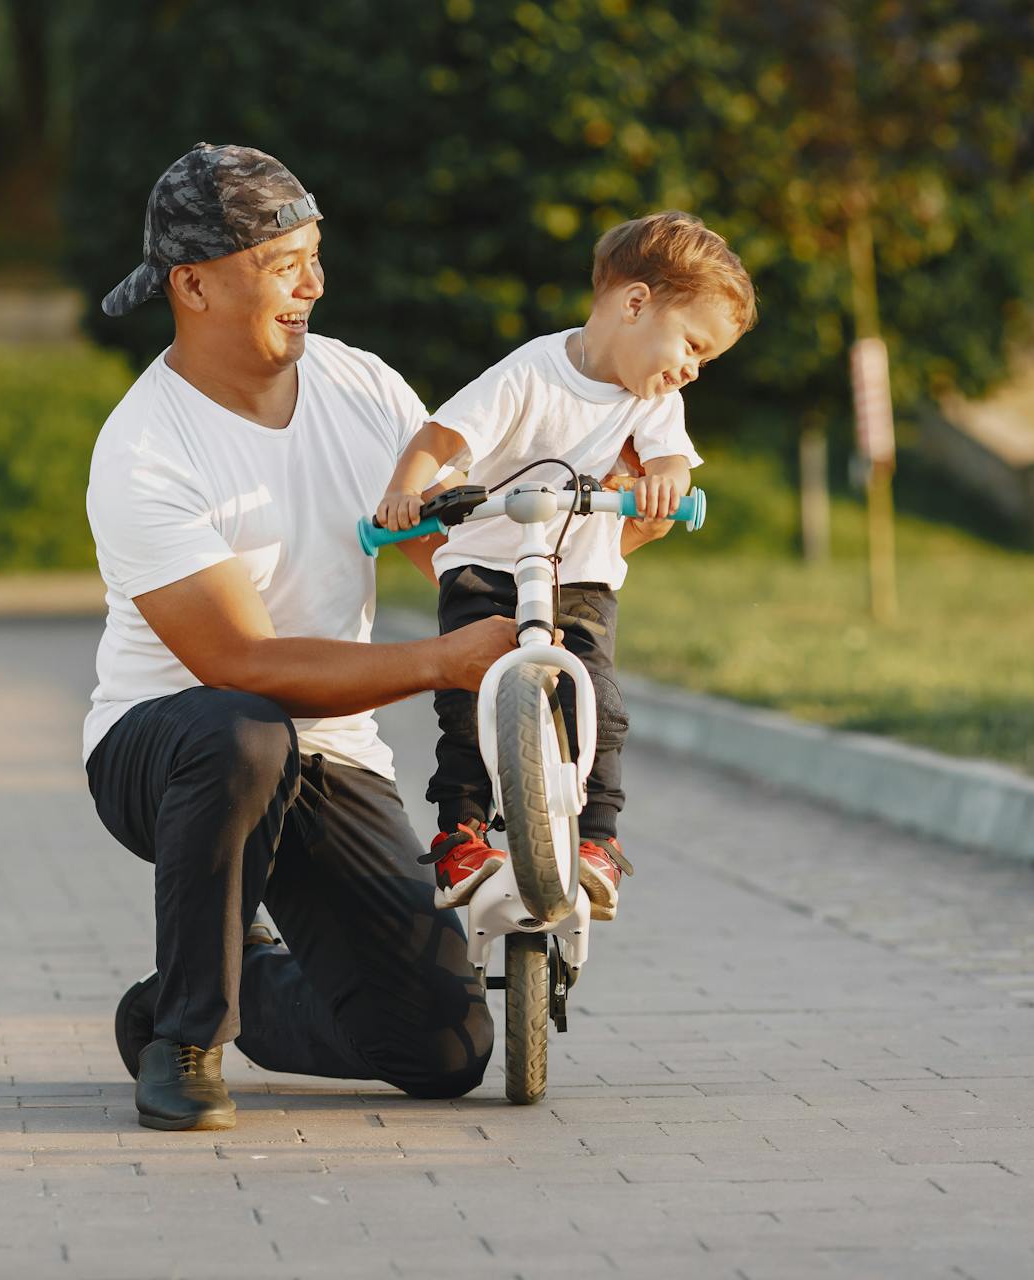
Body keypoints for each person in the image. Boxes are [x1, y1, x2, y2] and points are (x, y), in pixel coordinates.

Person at [82, 143, 517, 1132]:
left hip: (327, 751)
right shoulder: (146, 447)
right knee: (245, 729)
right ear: (192, 285)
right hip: (168, 746)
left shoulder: (360, 388)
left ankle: (233, 986)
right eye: (284, 263)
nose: (314, 283)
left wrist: (591, 534)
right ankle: (186, 1039)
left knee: (445, 1050)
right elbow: (241, 663)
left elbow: (452, 553)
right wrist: (440, 663)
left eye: (316, 254)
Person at [374, 211, 757, 922]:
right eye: (693, 345)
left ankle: (597, 843)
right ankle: (462, 833)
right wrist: (406, 489)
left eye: (707, 361)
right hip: (485, 567)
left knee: (599, 703)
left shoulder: (655, 400)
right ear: (635, 303)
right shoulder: (530, 372)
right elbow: (441, 434)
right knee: (466, 699)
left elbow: (670, 458)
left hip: (578, 575)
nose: (692, 369)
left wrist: (664, 485)